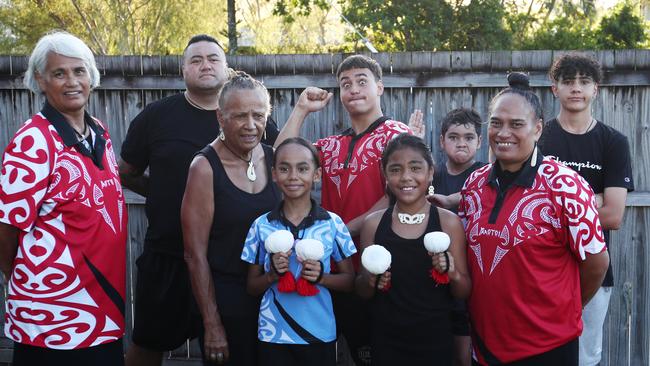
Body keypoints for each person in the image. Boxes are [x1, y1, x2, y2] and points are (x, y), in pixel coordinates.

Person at [119, 34, 278, 366]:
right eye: (196, 59)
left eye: (213, 58)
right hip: (169, 253)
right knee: (148, 341)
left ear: (227, 68)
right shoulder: (156, 116)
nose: (205, 64)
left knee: (233, 351)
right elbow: (126, 171)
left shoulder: (252, 118)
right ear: (183, 70)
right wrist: (163, 194)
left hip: (232, 264)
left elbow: (277, 164)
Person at [458, 73, 610, 365]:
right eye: (496, 123)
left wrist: (565, 311)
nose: (503, 133)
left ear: (538, 129)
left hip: (547, 347)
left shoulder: (565, 185)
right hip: (485, 346)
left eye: (516, 124)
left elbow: (596, 262)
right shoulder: (473, 185)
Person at [274, 54, 415, 365]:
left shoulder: (396, 135)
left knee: (377, 354)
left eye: (362, 81)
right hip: (332, 270)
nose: (353, 89)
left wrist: (345, 230)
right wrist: (301, 110)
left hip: (379, 266)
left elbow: (397, 194)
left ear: (380, 87)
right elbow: (282, 156)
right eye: (346, 84)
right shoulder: (331, 145)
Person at [0, 31, 126, 365]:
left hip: (102, 310)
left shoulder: (99, 131)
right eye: (59, 73)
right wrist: (32, 282)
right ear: (41, 80)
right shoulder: (33, 141)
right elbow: (7, 229)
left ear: (91, 77)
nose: (72, 81)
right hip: (51, 319)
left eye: (78, 71)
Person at [540, 54, 634, 366]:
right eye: (568, 81)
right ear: (555, 89)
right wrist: (591, 199)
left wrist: (559, 203)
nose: (576, 88)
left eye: (584, 82)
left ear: (596, 88)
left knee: (586, 356)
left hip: (593, 268)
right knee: (540, 350)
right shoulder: (539, 138)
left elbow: (613, 216)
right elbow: (527, 208)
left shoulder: (613, 142)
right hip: (541, 267)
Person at [181, 72, 281, 365]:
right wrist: (212, 324)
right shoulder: (204, 167)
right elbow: (193, 254)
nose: (251, 125)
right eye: (240, 116)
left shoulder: (273, 158)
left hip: (274, 300)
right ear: (220, 117)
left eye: (258, 115)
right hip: (228, 305)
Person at [355, 133, 471, 365]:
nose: (406, 177)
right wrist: (370, 279)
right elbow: (361, 291)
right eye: (396, 170)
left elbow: (464, 291)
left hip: (435, 340)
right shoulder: (374, 224)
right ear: (385, 174)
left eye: (415, 168)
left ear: (430, 172)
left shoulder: (448, 222)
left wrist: (452, 272)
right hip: (386, 340)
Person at [242, 137, 356, 366]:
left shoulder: (332, 224)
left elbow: (350, 281)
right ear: (274, 174)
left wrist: (321, 278)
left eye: (302, 168)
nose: (293, 176)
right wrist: (272, 275)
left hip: (319, 333)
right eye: (284, 168)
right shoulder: (261, 225)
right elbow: (251, 287)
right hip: (273, 333)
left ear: (316, 174)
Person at [430, 108, 486, 366]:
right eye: (453, 137)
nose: (461, 142)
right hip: (433, 274)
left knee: (465, 349)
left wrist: (451, 200)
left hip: (470, 273)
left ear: (480, 141)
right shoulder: (433, 176)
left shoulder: (485, 174)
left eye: (468, 137)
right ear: (442, 141)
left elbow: (478, 194)